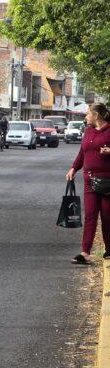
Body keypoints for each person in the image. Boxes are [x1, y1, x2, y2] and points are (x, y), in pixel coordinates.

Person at [66, 103, 110, 265]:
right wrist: (74, 168)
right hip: (89, 180)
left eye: (87, 114)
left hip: (107, 182)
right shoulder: (88, 131)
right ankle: (85, 253)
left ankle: (109, 249)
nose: (86, 117)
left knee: (107, 217)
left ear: (96, 115)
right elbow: (82, 153)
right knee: (90, 215)